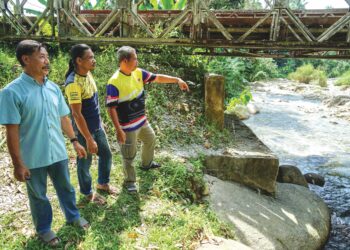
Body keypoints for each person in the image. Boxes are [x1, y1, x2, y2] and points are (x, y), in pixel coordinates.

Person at [0, 40, 89, 247]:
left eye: (47, 57)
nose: (46, 61)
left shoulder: (53, 88)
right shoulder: (11, 92)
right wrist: (18, 164)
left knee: (66, 187)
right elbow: (11, 131)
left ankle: (73, 216)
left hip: (57, 151)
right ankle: (44, 229)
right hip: (33, 156)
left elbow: (64, 118)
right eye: (42, 57)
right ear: (26, 59)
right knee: (39, 196)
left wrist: (75, 141)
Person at [106, 46, 189, 193]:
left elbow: (157, 78)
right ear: (125, 60)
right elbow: (111, 108)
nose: (137, 61)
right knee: (128, 156)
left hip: (142, 121)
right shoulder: (114, 82)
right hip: (127, 126)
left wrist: (177, 80)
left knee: (150, 138)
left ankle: (146, 164)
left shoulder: (138, 73)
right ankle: (129, 182)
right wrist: (118, 130)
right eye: (135, 58)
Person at [65, 44, 117, 205]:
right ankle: (87, 193)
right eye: (90, 58)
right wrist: (88, 138)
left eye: (93, 57)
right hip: (83, 131)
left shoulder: (87, 73)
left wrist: (99, 123)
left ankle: (102, 183)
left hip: (96, 126)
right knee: (84, 162)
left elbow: (93, 104)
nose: (94, 60)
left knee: (106, 154)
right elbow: (76, 114)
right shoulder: (73, 83)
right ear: (79, 60)